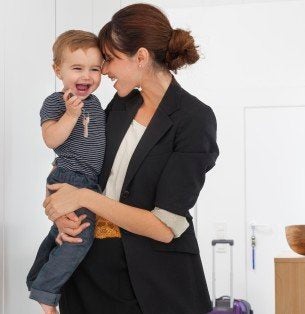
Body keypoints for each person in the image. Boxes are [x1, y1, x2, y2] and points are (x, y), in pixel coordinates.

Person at [42, 3, 219, 314]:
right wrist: (57, 206)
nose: (104, 70)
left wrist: (82, 197)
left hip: (155, 284)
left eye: (109, 60)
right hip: (90, 274)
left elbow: (165, 226)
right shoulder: (119, 106)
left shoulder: (194, 119)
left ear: (140, 57)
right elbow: (76, 162)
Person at [26, 30, 106, 314]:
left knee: (61, 233)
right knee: (79, 238)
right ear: (57, 70)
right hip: (70, 177)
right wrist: (71, 115)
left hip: (86, 182)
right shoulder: (55, 102)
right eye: (77, 68)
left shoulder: (96, 104)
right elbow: (51, 139)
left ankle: (37, 277)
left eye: (94, 69)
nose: (86, 76)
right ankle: (47, 292)